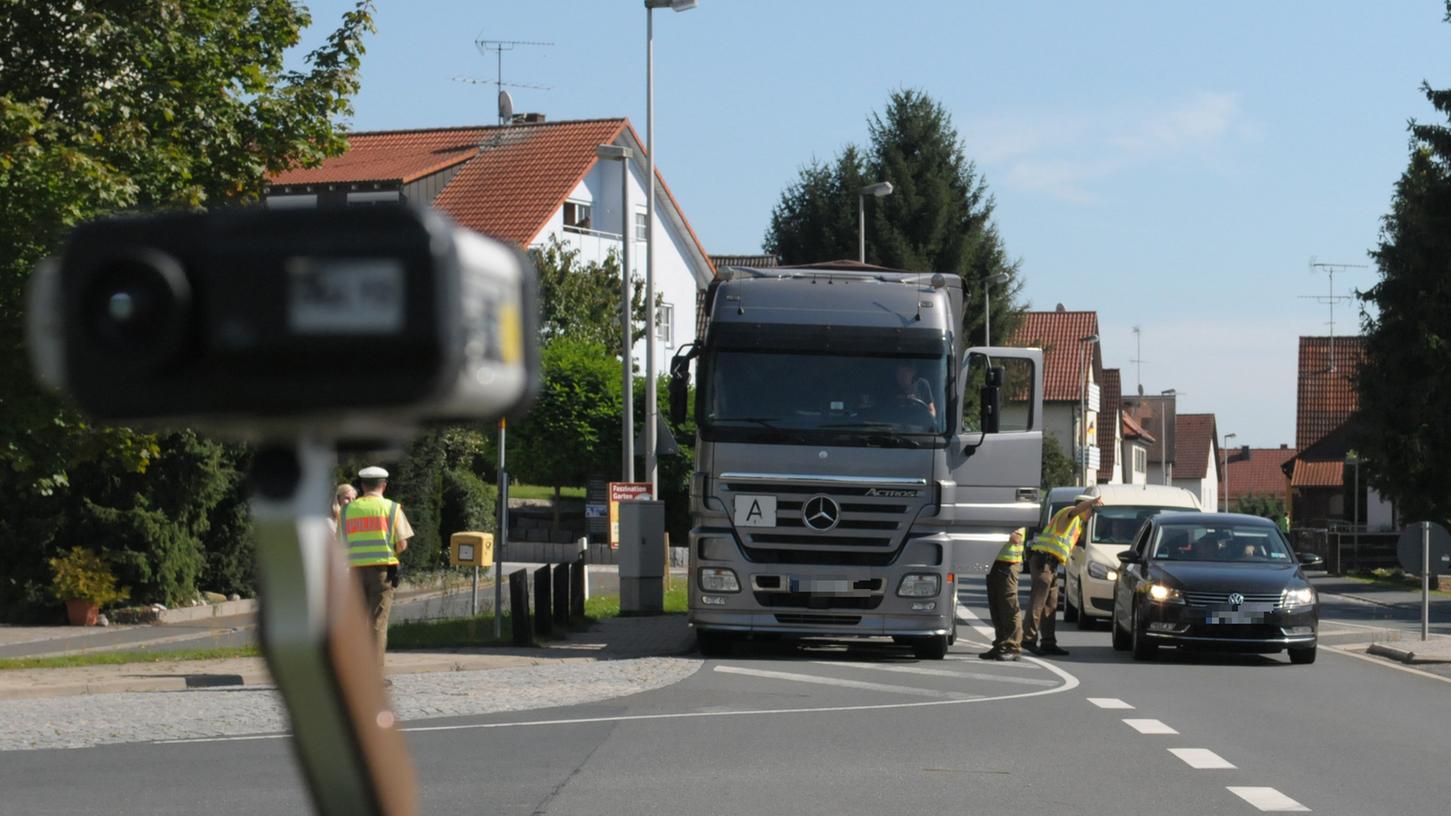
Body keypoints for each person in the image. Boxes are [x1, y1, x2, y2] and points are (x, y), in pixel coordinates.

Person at [339, 466, 413, 671]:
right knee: (377, 624)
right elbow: (402, 544)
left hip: (354, 572)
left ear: (362, 485)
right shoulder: (392, 509)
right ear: (384, 485)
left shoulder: (346, 511)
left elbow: (340, 544)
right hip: (383, 573)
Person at [1022, 494, 1101, 657]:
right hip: (1043, 561)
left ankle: (1048, 642)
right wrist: (1091, 502)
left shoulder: (1078, 523)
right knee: (1038, 602)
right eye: (1091, 511)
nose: (1092, 515)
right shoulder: (1070, 513)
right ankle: (1028, 640)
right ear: (1084, 507)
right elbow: (1076, 510)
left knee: (1050, 605)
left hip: (1051, 564)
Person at [980, 528, 1026, 661]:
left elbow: (1016, 538)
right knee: (996, 606)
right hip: (994, 563)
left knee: (1009, 607)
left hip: (1008, 565)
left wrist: (997, 528)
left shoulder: (1017, 514)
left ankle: (1013, 646)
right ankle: (1000, 645)